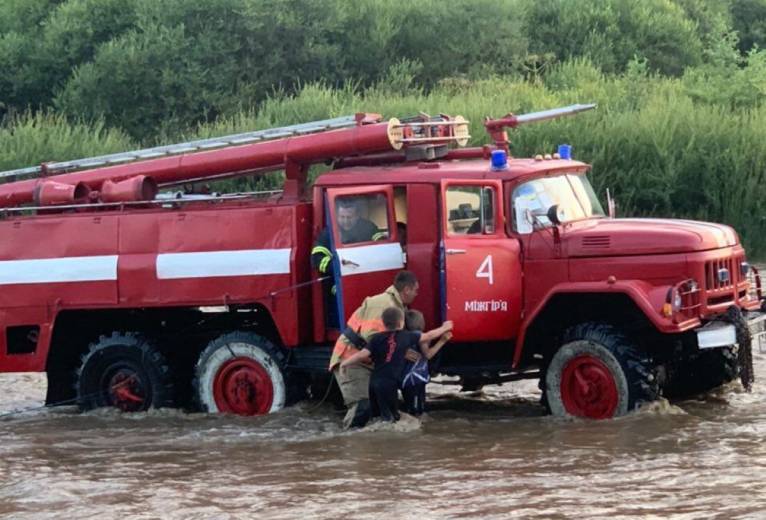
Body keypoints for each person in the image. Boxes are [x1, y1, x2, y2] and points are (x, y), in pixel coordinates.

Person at [328, 270, 419, 429]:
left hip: (366, 361)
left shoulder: (395, 306)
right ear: (407, 290)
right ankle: (347, 445)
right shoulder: (384, 304)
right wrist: (401, 352)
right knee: (362, 407)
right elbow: (373, 339)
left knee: (377, 413)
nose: (416, 294)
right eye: (416, 290)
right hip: (351, 358)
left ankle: (372, 449)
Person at [340, 307, 453, 422]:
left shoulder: (376, 338)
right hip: (389, 384)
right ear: (401, 322)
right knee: (392, 420)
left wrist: (345, 363)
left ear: (383, 323)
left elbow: (362, 355)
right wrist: (444, 328)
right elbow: (429, 335)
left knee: (376, 418)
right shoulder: (407, 336)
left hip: (373, 383)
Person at [311, 198, 386, 327]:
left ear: (357, 216)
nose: (345, 221)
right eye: (342, 217)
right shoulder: (328, 234)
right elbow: (317, 258)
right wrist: (338, 266)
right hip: (338, 284)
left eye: (349, 217)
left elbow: (381, 244)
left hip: (366, 279)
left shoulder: (368, 227)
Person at [400, 309, 452, 416]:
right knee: (417, 412)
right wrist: (443, 341)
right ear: (420, 323)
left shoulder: (404, 336)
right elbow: (428, 354)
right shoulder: (419, 336)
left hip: (406, 380)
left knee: (410, 409)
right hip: (416, 380)